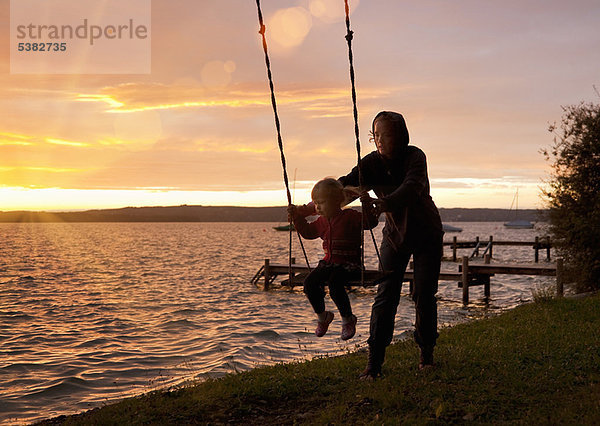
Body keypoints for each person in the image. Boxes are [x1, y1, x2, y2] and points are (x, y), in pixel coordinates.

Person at [296, 111, 443, 377]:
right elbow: (341, 190)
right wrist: (306, 210)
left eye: (385, 134)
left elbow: (412, 186)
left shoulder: (415, 157)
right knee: (386, 295)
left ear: (401, 135)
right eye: (375, 135)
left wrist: (385, 203)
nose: (380, 140)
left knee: (423, 295)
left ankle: (426, 354)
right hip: (394, 235)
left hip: (427, 234)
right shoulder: (371, 164)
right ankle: (374, 363)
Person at [288, 178, 378, 341]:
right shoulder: (322, 221)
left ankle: (347, 319)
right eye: (316, 203)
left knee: (335, 283)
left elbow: (370, 223)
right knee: (309, 283)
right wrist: (297, 218)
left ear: (337, 201)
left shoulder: (350, 216)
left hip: (350, 265)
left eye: (321, 202)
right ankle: (323, 317)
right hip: (329, 263)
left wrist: (367, 204)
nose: (317, 207)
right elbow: (308, 232)